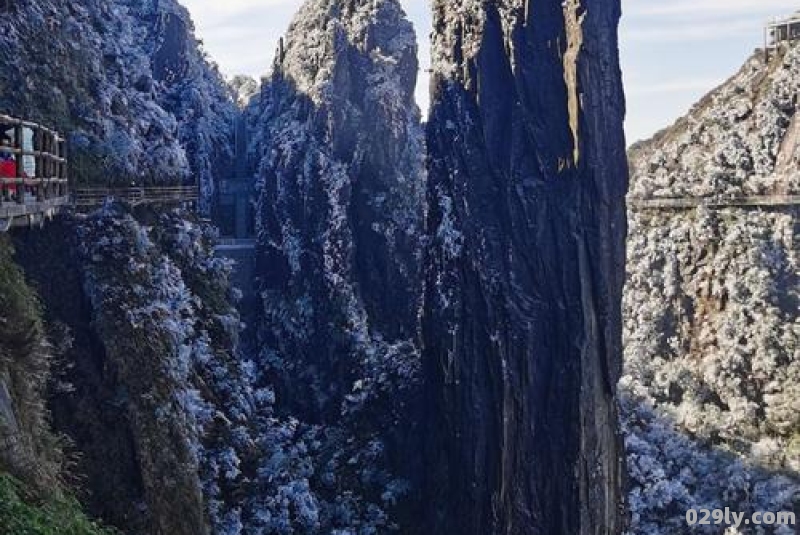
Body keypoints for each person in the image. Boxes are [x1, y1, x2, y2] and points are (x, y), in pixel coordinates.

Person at [0, 132, 17, 201]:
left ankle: (12, 193)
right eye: (4, 141)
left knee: (13, 168)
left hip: (8, 164)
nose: (5, 143)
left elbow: (11, 157)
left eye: (7, 142)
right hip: (2, 164)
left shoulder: (10, 150)